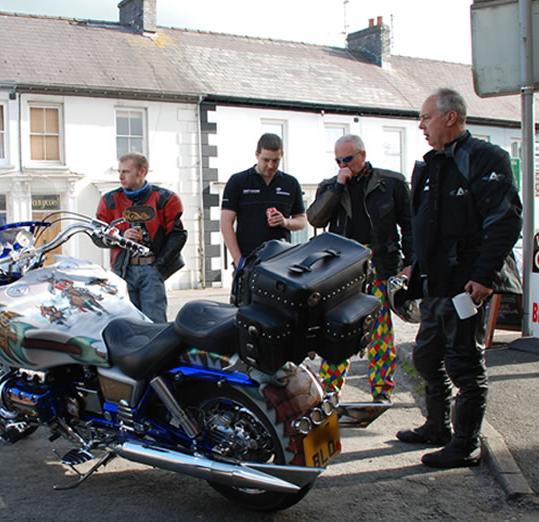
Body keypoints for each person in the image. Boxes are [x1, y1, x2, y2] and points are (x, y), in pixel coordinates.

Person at [397, 88, 522, 469]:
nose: (421, 125)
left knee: (465, 366)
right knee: (425, 357)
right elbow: (424, 225)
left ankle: (466, 444)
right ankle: (437, 427)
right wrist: (412, 267)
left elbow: (505, 219)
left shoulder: (485, 159)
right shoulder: (429, 164)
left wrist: (484, 277)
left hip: (467, 286)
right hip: (435, 284)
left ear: (450, 117)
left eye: (426, 117)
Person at [306, 134, 413, 404]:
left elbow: (410, 226)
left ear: (362, 155)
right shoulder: (330, 186)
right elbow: (315, 218)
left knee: (379, 330)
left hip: (378, 263)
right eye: (338, 160)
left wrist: (411, 265)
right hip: (342, 268)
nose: (343, 165)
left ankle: (382, 390)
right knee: (337, 330)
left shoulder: (391, 184)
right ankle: (329, 390)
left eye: (348, 159)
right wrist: (337, 188)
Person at [96, 152, 187, 323]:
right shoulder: (109, 200)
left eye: (126, 172)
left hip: (151, 268)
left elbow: (177, 236)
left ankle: (159, 350)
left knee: (155, 324)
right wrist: (121, 236)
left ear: (142, 172)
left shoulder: (165, 199)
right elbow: (98, 235)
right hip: (123, 270)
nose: (121, 176)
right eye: (119, 171)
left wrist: (158, 268)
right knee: (127, 323)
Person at [220, 133, 307, 273]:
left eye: (275, 160)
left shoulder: (291, 183)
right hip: (249, 260)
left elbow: (302, 221)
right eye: (266, 159)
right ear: (257, 154)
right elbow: (226, 223)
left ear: (282, 155)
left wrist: (285, 222)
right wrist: (239, 261)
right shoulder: (238, 181)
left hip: (282, 260)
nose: (270, 165)